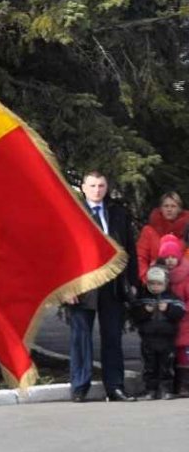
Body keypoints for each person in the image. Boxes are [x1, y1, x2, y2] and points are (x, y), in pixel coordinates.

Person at [66, 170, 138, 402]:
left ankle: (115, 387)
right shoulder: (73, 213)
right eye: (93, 186)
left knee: (112, 337)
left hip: (113, 285)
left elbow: (130, 250)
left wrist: (133, 282)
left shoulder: (118, 214)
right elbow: (63, 253)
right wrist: (66, 287)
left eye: (101, 186)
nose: (97, 190)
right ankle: (79, 386)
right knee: (81, 337)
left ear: (106, 188)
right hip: (83, 286)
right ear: (83, 188)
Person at [129, 264, 184, 399]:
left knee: (167, 366)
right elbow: (135, 315)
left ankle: (166, 389)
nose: (155, 287)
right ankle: (150, 390)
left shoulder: (172, 298)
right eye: (152, 283)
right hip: (148, 338)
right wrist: (145, 311)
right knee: (150, 366)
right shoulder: (143, 298)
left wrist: (168, 309)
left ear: (165, 283)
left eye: (159, 284)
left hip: (167, 339)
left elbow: (179, 313)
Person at [154, 234, 189, 397]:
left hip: (183, 321)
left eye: (173, 257)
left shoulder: (185, 277)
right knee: (167, 354)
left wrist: (181, 310)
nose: (170, 260)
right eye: (166, 257)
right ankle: (168, 384)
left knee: (183, 354)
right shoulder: (156, 276)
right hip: (164, 322)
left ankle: (182, 385)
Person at [136, 192, 189, 283]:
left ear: (179, 209)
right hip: (155, 282)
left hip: (183, 283)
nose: (169, 209)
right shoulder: (149, 231)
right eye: (166, 206)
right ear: (161, 208)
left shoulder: (187, 230)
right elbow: (140, 257)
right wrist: (146, 278)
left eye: (173, 206)